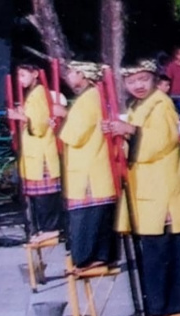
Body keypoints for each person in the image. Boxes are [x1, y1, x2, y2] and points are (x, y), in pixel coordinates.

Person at [103, 59, 180, 316]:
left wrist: (131, 130)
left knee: (165, 250)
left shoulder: (161, 103)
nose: (138, 85)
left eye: (143, 79)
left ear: (154, 78)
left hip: (164, 186)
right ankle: (157, 303)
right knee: (154, 251)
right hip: (148, 186)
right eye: (132, 81)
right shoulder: (139, 106)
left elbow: (161, 141)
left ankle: (168, 305)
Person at [54, 61, 118, 272]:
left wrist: (63, 116)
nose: (69, 77)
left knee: (88, 216)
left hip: (89, 166)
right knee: (94, 214)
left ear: (82, 74)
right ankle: (95, 256)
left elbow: (74, 135)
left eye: (72, 72)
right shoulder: (94, 96)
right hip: (91, 163)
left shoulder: (89, 99)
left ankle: (89, 258)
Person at [7, 61, 63, 243]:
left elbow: (39, 125)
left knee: (44, 195)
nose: (20, 80)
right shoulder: (33, 94)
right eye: (19, 76)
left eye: (23, 75)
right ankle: (45, 228)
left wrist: (19, 116)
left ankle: (50, 228)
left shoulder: (38, 94)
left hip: (41, 153)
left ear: (35, 74)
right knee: (39, 196)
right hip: (35, 152)